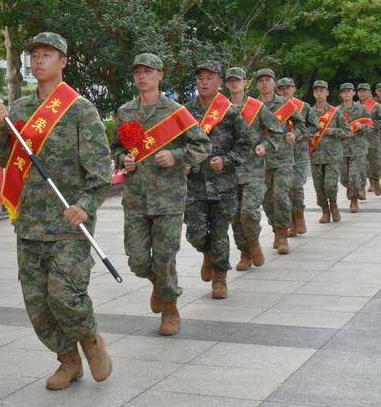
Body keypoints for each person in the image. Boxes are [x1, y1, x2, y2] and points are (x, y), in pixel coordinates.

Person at [0, 32, 112, 390]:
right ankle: (68, 361)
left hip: (68, 224)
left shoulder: (80, 109)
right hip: (29, 225)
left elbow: (100, 172)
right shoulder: (20, 109)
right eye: (34, 55)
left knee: (65, 296)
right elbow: (1, 158)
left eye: (47, 55)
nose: (38, 61)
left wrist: (84, 206)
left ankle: (89, 339)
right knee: (38, 305)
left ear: (63, 61)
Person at [112, 53, 210, 336]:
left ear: (160, 75)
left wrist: (177, 155)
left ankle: (170, 307)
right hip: (135, 198)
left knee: (166, 257)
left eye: (148, 71)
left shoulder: (176, 112)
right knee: (138, 260)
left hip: (168, 198)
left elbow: (202, 145)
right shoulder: (124, 112)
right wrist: (123, 160)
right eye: (138, 72)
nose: (142, 77)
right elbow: (116, 147)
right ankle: (158, 284)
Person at [184, 60, 251, 300]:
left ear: (219, 82)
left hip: (223, 185)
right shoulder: (185, 110)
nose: (203, 82)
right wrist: (182, 160)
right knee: (195, 234)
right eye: (200, 78)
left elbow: (245, 145)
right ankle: (208, 254)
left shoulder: (230, 111)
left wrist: (227, 160)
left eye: (209, 78)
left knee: (220, 233)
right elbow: (177, 142)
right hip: (194, 184)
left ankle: (220, 278)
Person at [225, 67, 283, 271]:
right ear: (226, 84)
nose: (234, 84)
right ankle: (245, 252)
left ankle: (254, 241)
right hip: (229, 171)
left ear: (244, 83)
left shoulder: (256, 107)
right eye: (230, 81)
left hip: (254, 170)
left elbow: (277, 131)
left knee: (248, 211)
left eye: (238, 80)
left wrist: (264, 146)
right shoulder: (221, 109)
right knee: (235, 215)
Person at [255, 68, 306, 255]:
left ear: (274, 83)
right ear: (257, 84)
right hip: (261, 159)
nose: (265, 83)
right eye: (261, 81)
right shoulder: (252, 106)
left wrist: (295, 133)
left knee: (281, 196)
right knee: (267, 201)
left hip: (283, 157)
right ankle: (276, 230)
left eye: (268, 80)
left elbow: (301, 124)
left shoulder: (285, 104)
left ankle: (283, 234)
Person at [307, 81, 351, 223]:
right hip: (315, 156)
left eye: (322, 91)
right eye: (316, 91)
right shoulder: (309, 113)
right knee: (319, 187)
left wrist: (333, 131)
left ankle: (333, 205)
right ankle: (325, 211)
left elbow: (347, 131)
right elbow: (303, 131)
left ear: (327, 93)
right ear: (313, 94)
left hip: (332, 155)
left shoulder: (335, 112)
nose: (319, 94)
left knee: (330, 185)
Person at [277, 77, 312, 237]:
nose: (284, 91)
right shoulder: (273, 107)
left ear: (294, 89)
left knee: (296, 186)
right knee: (284, 190)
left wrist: (297, 134)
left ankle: (299, 216)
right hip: (281, 156)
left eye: (287, 88)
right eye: (281, 88)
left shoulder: (303, 107)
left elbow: (314, 126)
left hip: (299, 154)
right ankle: (290, 222)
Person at [337, 84, 370, 213]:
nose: (346, 94)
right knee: (344, 178)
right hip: (342, 148)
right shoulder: (336, 111)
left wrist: (362, 127)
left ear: (353, 93)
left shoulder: (362, 109)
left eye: (349, 91)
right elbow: (333, 129)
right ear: (340, 94)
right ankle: (358, 186)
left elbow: (370, 127)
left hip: (358, 147)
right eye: (343, 92)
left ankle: (354, 201)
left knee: (353, 176)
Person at [356, 83, 381, 197]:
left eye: (364, 91)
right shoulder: (354, 106)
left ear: (370, 92)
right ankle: (362, 187)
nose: (362, 93)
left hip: (373, 140)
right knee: (361, 164)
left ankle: (376, 180)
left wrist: (371, 124)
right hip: (359, 141)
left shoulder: (376, 106)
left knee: (375, 163)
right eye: (360, 91)